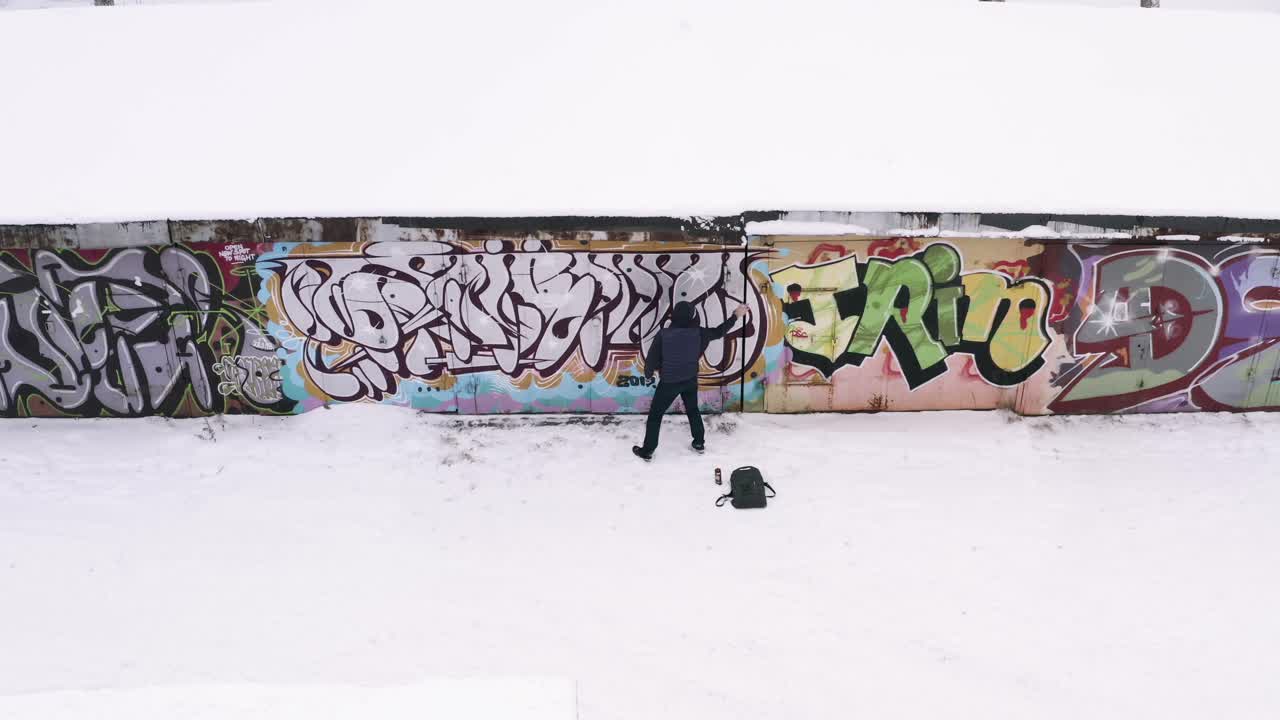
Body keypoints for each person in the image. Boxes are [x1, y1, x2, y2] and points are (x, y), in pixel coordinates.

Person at [632, 301, 749, 461]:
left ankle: (648, 450)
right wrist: (736, 315)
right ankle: (699, 442)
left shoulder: (664, 334)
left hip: (669, 382)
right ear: (692, 316)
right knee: (692, 409)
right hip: (690, 379)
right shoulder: (699, 333)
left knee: (655, 415)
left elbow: (652, 358)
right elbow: (720, 331)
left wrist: (648, 373)